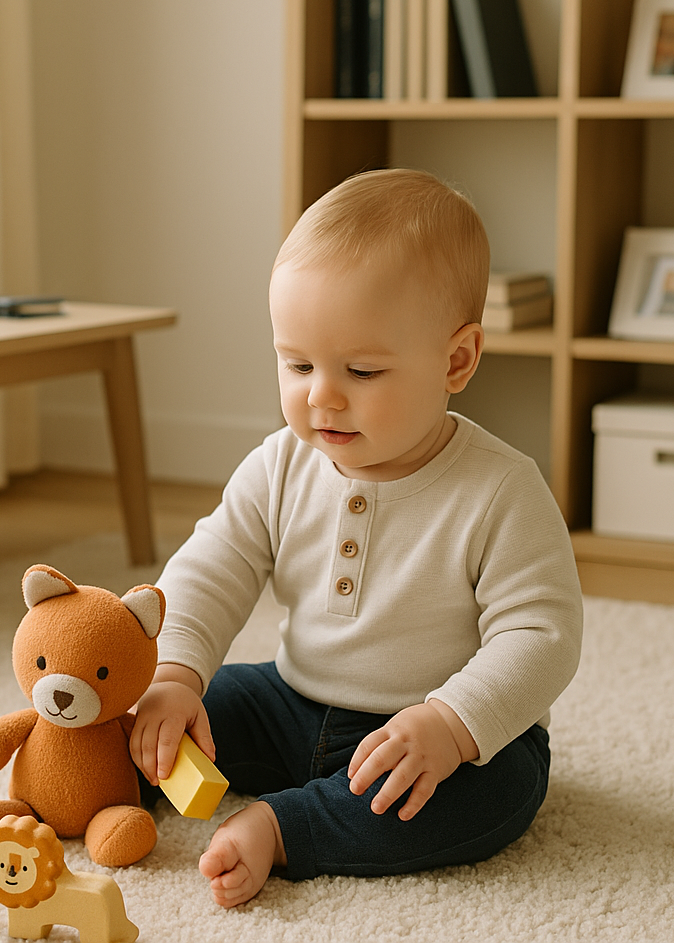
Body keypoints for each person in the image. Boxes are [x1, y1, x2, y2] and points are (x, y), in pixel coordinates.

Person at [130, 168, 583, 908]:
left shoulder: (501, 489)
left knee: (494, 796)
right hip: (294, 700)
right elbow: (213, 564)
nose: (321, 395)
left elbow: (543, 635)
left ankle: (289, 827)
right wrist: (174, 675)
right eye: (297, 363)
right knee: (176, 704)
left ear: (457, 361)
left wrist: (451, 721)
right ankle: (89, 775)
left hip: (436, 733)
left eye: (363, 370)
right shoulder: (281, 463)